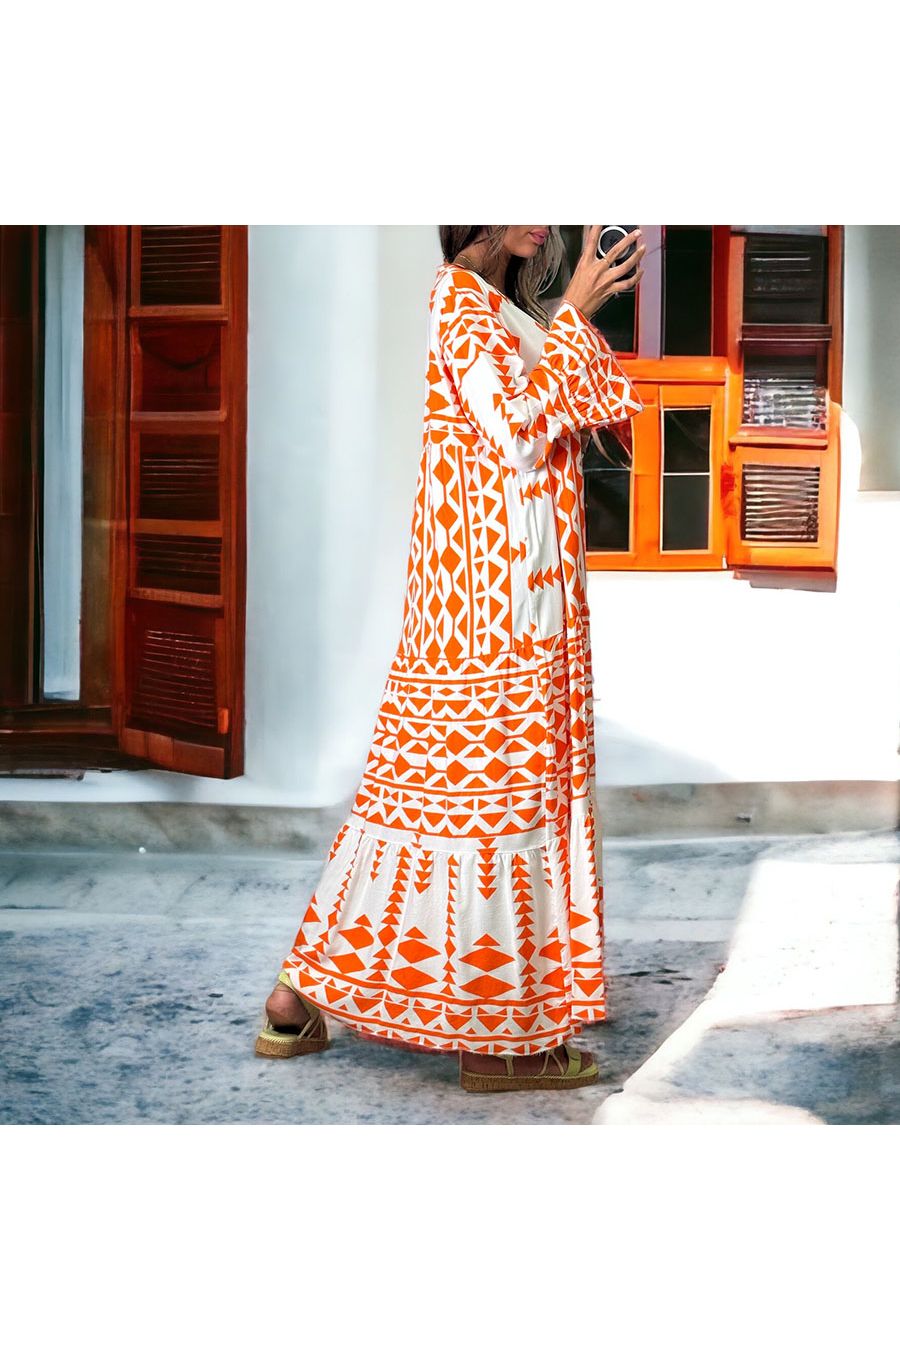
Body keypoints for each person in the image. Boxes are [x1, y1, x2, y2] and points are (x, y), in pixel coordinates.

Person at [256, 225, 646, 1092]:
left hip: (498, 597)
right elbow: (514, 429)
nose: (539, 221)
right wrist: (575, 313)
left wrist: (571, 323)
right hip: (493, 610)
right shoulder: (460, 301)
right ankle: (500, 1041)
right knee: (498, 805)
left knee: (423, 801)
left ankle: (296, 1002)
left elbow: (592, 414)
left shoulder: (497, 307)